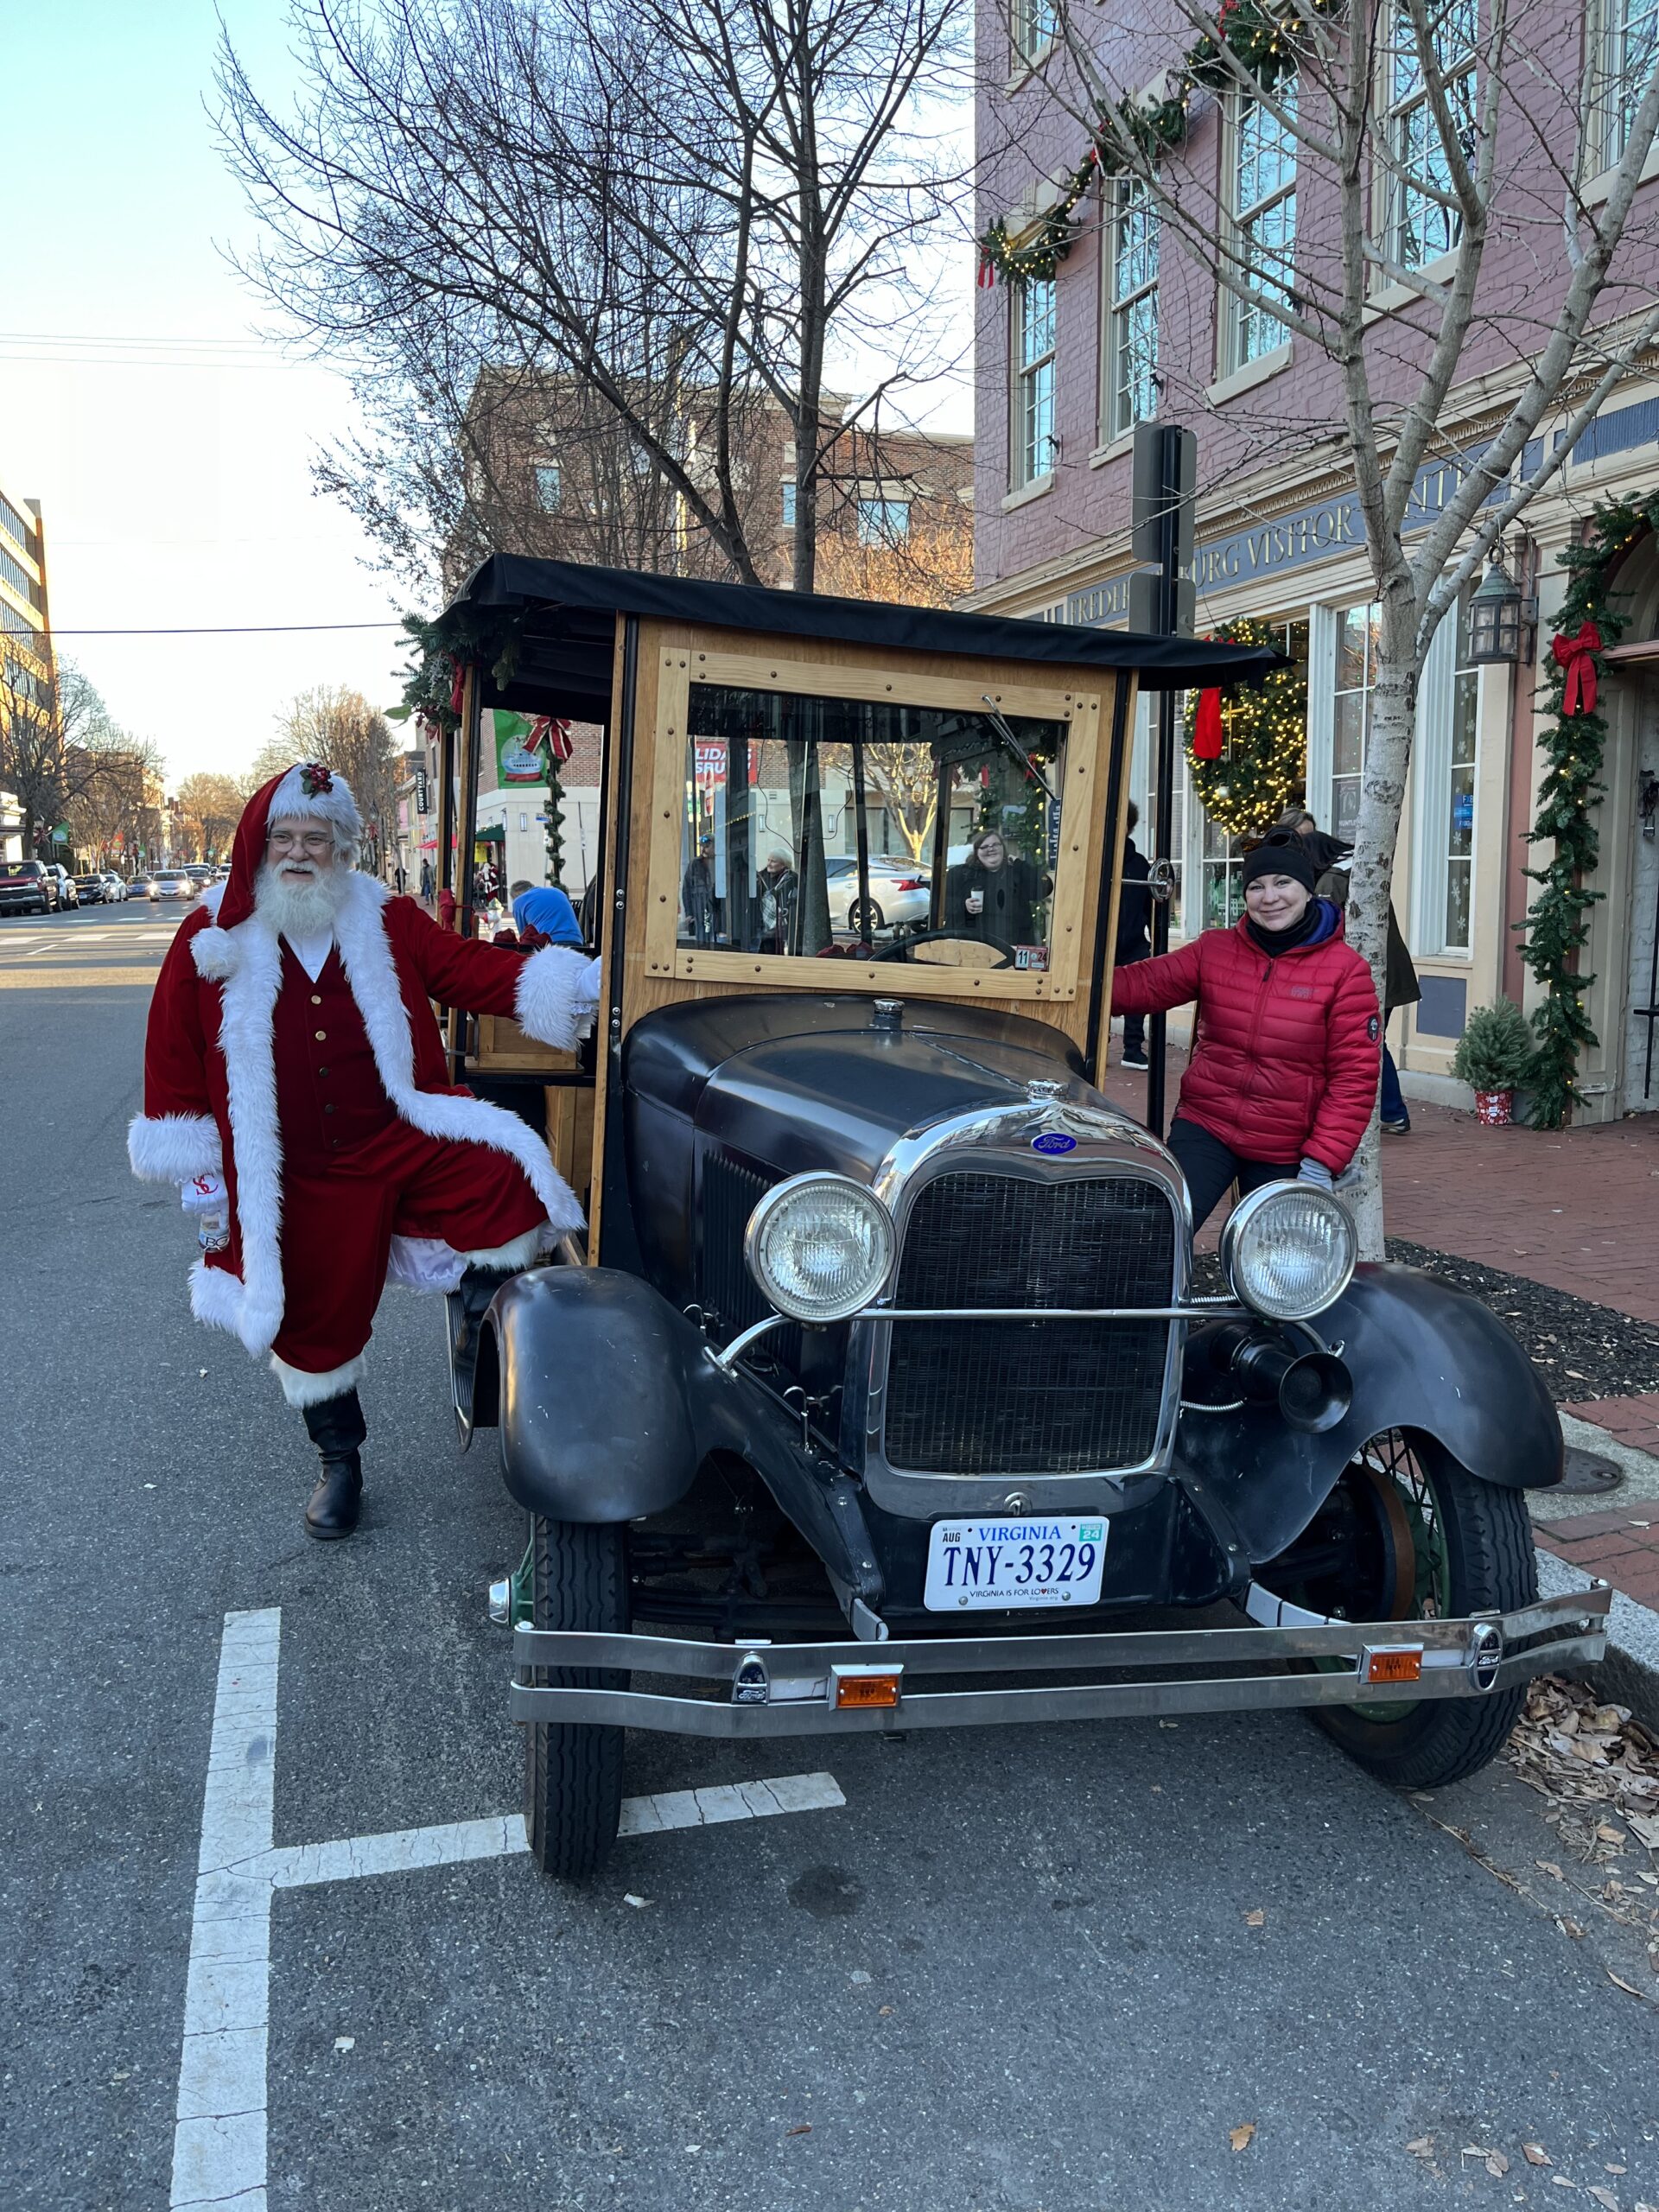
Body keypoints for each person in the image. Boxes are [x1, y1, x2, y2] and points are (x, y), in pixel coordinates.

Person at [128, 763, 601, 1541]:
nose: (300, 853)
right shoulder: (210, 935)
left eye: (318, 838)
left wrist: (575, 981)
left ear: (343, 848)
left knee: (506, 1175)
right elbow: (173, 1056)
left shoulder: (384, 917)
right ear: (261, 844)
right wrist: (204, 1180)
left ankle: (481, 1336)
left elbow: (460, 966)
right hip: (291, 1172)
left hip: (396, 1135)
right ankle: (339, 1463)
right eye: (286, 837)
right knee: (308, 1328)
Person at [1109, 833, 1381, 1228]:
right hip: (1207, 1125)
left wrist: (1322, 1160)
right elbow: (1144, 984)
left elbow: (1354, 1078)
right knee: (1161, 1232)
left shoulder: (1345, 970)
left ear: (1307, 890)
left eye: (1282, 883)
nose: (1269, 897)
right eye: (1256, 886)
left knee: (1275, 1265)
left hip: (1286, 1143)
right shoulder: (1216, 949)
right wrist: (1070, 984)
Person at [1287, 811, 1421, 1135]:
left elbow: (1322, 931)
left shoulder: (1330, 881)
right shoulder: (1357, 868)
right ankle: (1389, 1112)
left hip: (1368, 976)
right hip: (1386, 973)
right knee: (1372, 1042)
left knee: (1366, 1044)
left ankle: (1389, 1111)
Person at [944, 828, 1050, 946]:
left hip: (1013, 945)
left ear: (1003, 849)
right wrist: (964, 905)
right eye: (984, 847)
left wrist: (1019, 863)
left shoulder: (1017, 873)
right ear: (976, 851)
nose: (991, 849)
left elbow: (1045, 886)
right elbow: (942, 904)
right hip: (972, 947)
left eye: (996, 845)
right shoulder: (960, 874)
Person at [1116, 800, 1153, 1071]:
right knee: (1095, 995)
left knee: (1137, 995)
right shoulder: (1094, 858)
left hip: (1133, 942)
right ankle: (1090, 1042)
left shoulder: (1141, 864)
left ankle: (1132, 1049)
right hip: (1098, 946)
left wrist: (1154, 939)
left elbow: (1149, 906)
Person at [754, 849, 798, 954]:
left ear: (784, 864)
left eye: (773, 861)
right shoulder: (759, 878)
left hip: (783, 929)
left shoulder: (792, 879)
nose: (769, 864)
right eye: (768, 860)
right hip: (761, 927)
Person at [682, 835, 717, 945]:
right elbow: (686, 888)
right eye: (703, 846)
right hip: (699, 909)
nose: (704, 849)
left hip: (716, 909)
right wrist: (689, 913)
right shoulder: (694, 864)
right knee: (702, 940)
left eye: (707, 846)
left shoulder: (720, 862)